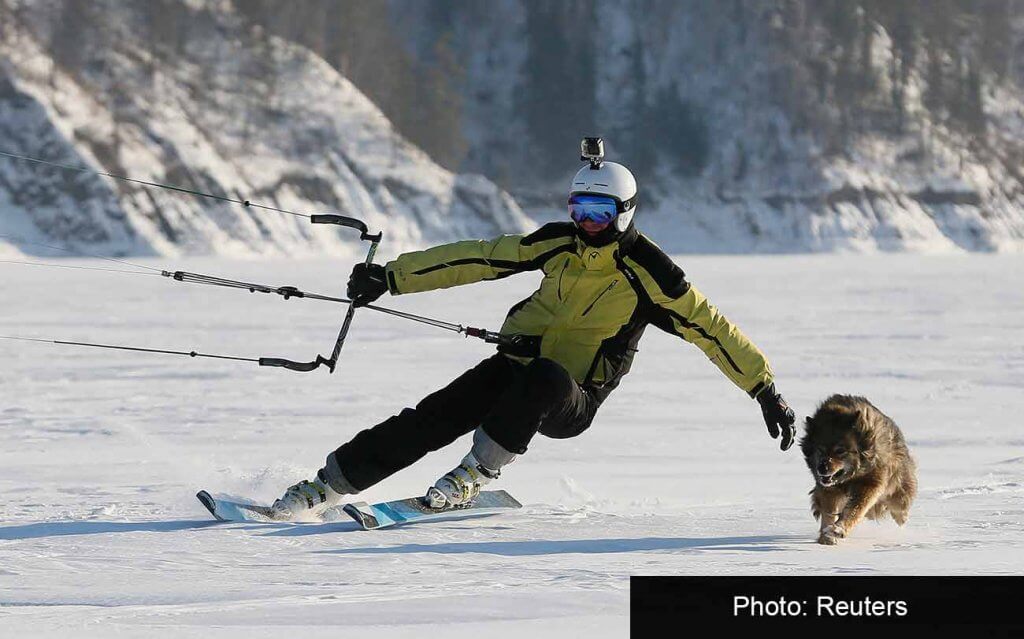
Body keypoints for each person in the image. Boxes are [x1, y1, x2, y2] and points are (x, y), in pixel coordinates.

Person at [271, 146, 796, 518]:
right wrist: (391, 277)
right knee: (431, 417)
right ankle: (327, 484)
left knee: (545, 376)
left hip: (570, 399)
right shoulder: (557, 243)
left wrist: (763, 389)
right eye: (579, 210)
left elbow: (713, 329)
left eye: (600, 212)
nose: (587, 222)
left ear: (625, 213)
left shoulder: (651, 274)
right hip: (514, 368)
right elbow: (477, 257)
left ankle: (476, 474)